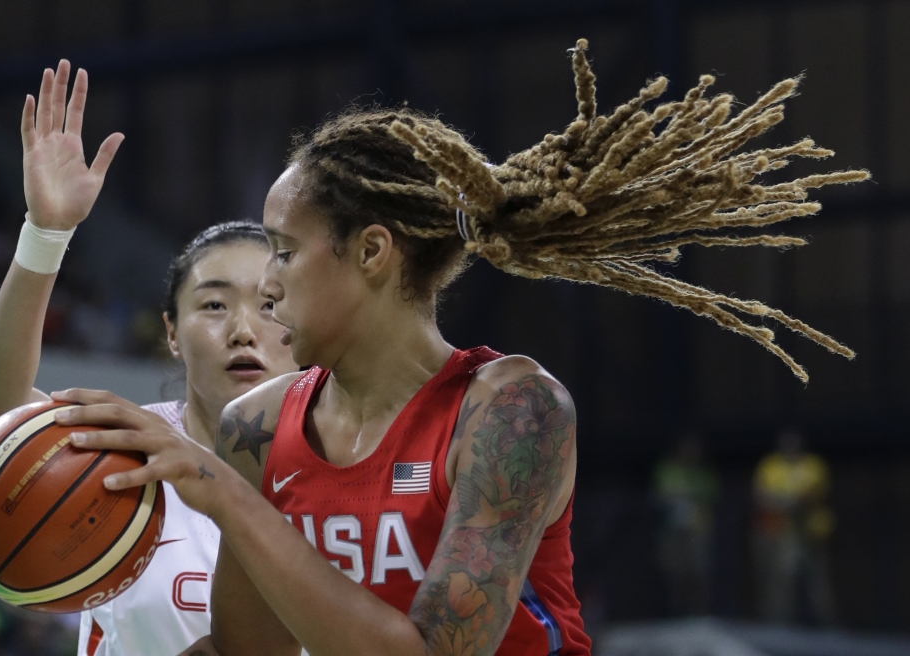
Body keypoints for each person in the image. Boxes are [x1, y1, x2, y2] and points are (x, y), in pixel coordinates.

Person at [44, 39, 865, 656]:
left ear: (371, 251)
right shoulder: (258, 427)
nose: (271, 286)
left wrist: (226, 499)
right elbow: (243, 653)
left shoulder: (511, 408)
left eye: (285, 252)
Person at [0, 61, 299, 656]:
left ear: (304, 323)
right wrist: (45, 232)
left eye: (270, 305)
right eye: (215, 305)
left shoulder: (354, 467)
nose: (244, 330)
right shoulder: (128, 446)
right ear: (171, 332)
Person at [752, 430, 834, 625]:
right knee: (781, 582)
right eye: (787, 444)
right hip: (781, 534)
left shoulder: (813, 465)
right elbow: (760, 496)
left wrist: (782, 501)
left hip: (811, 534)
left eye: (795, 444)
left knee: (818, 585)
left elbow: (807, 496)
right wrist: (783, 502)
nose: (791, 448)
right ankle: (779, 625)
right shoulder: (770, 466)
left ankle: (827, 627)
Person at [654, 433, 719, 616]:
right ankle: (675, 613)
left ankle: (699, 614)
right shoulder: (667, 469)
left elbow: (711, 497)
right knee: (674, 573)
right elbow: (661, 496)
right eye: (687, 448)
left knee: (698, 573)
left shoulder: (704, 472)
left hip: (698, 530)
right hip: (674, 530)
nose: (691, 452)